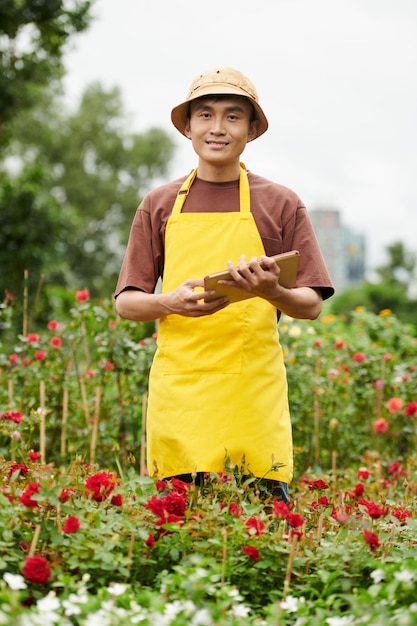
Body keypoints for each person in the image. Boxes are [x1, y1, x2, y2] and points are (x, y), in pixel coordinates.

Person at [114, 67, 334, 501]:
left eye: (233, 117)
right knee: (177, 537)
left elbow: (310, 305)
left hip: (251, 394)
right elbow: (127, 303)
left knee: (262, 535)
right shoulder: (158, 204)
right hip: (181, 393)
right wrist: (171, 302)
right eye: (205, 115)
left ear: (252, 129)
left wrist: (273, 292)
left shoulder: (281, 203)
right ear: (188, 126)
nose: (218, 128)